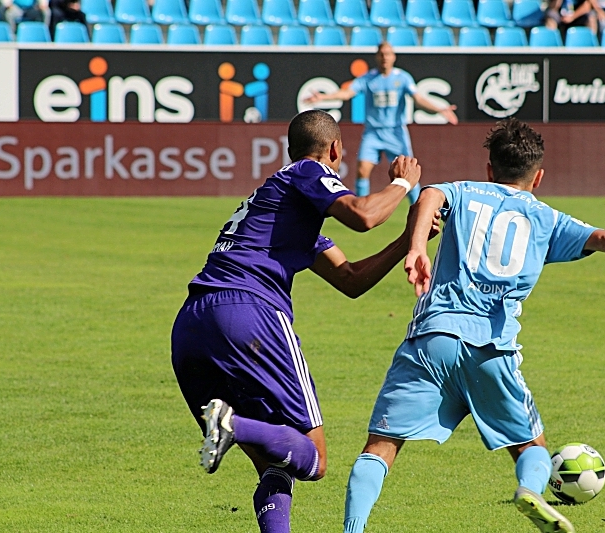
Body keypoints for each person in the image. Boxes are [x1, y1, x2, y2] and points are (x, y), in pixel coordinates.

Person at [341, 118, 605, 533]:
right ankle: (531, 490)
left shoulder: (464, 192)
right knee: (530, 446)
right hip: (492, 348)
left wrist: (416, 248)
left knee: (382, 445)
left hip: (434, 336)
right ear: (538, 176)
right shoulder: (547, 218)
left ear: (489, 169)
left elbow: (429, 194)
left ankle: (352, 529)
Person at [171, 109, 436, 533]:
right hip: (249, 313)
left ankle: (231, 426)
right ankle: (231, 423)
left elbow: (350, 280)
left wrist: (408, 239)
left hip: (191, 326)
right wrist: (403, 183)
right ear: (334, 149)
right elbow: (363, 214)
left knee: (275, 463)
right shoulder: (306, 171)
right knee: (315, 460)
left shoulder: (280, 212)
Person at [304, 42, 458, 203]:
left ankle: (419, 207)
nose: (385, 57)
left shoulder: (402, 78)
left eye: (388, 54)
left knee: (408, 172)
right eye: (382, 54)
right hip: (373, 132)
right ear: (377, 57)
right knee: (362, 170)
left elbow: (418, 99)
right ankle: (361, 207)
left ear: (393, 57)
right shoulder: (368, 78)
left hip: (395, 131)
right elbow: (347, 93)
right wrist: (323, 97)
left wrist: (440, 109)